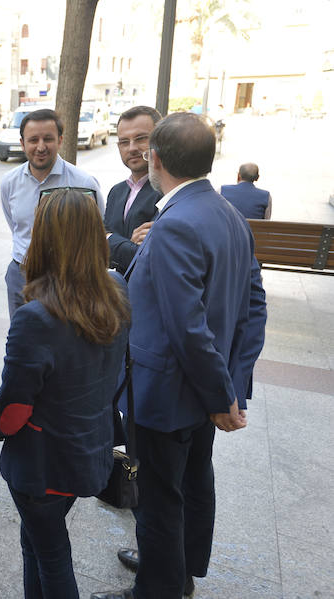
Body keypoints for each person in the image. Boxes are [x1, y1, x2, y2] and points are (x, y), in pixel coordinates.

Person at [91, 113, 267, 599]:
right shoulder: (228, 213)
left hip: (167, 395)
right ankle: (178, 572)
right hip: (201, 392)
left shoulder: (175, 225)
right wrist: (230, 386)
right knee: (191, 484)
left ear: (156, 158)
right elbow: (253, 307)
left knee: (160, 501)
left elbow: (187, 328)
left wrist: (220, 396)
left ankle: (157, 587)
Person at [0, 188, 130, 599]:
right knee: (36, 544)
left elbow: (14, 406)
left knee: (50, 554)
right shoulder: (116, 288)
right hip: (89, 451)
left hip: (41, 464)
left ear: (44, 238)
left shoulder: (37, 316)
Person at [1, 109, 104, 315]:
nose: (40, 147)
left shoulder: (83, 183)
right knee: (22, 340)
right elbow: (15, 225)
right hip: (20, 274)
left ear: (60, 140)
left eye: (48, 139)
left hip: (66, 278)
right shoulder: (9, 182)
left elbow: (96, 228)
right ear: (22, 143)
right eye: (33, 140)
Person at [104, 106, 163, 273]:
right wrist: (126, 245)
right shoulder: (116, 192)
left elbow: (145, 257)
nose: (131, 148)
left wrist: (108, 239)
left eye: (140, 138)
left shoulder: (167, 192)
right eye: (124, 142)